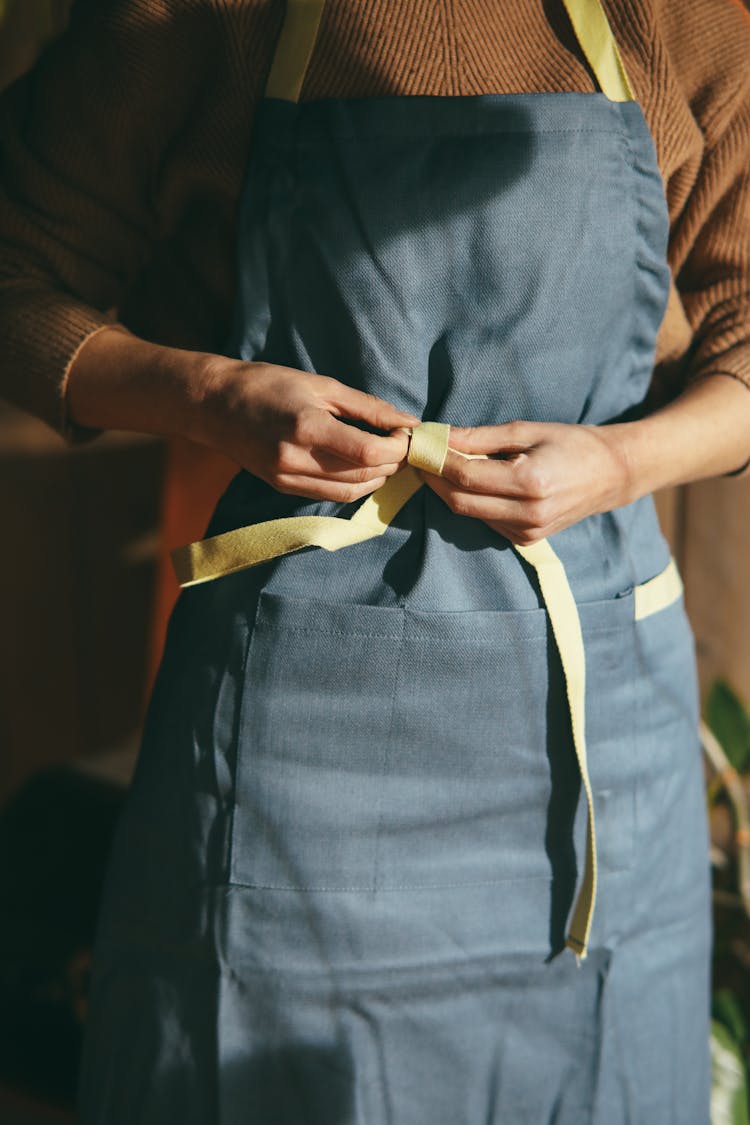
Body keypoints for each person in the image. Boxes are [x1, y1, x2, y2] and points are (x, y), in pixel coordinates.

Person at [1, 0, 749, 1120]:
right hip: (293, 754)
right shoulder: (197, 13)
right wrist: (211, 396)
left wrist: (619, 461)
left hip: (585, 740)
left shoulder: (683, 18)